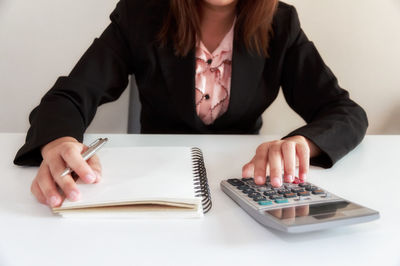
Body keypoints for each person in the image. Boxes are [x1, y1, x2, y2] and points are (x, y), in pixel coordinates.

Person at [14, 0, 368, 208]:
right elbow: (70, 96)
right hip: (153, 185)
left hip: (242, 185)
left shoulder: (281, 22)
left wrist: (300, 143)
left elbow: (344, 111)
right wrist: (58, 141)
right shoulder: (139, 12)